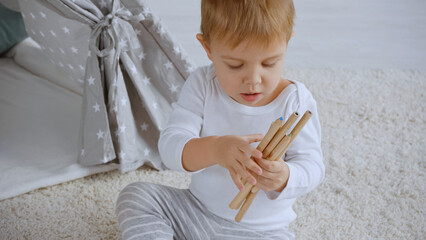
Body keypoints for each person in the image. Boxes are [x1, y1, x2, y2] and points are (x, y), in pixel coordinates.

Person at [116, 0, 324, 239]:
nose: (254, 79)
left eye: (269, 63)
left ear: (287, 44)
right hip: (194, 211)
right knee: (136, 195)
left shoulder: (296, 101)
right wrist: (216, 149)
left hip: (260, 231)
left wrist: (285, 176)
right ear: (208, 48)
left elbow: (313, 166)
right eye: (235, 65)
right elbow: (170, 146)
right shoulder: (202, 84)